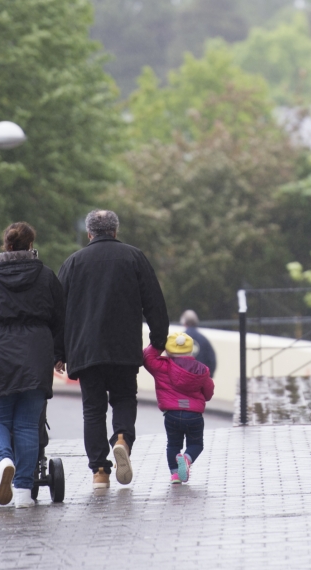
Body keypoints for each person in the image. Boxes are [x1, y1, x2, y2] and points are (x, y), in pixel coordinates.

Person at [57, 209, 169, 490]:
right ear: (115, 231)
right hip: (123, 347)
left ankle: (99, 472)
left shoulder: (72, 263)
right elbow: (154, 302)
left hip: (85, 351)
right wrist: (158, 340)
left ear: (89, 233)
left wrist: (58, 352)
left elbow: (57, 312)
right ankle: (121, 439)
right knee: (123, 399)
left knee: (93, 410)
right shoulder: (134, 257)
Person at [0, 222, 64, 508]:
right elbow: (61, 318)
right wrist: (55, 350)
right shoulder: (46, 277)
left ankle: (3, 460)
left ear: (5, 245)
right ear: (31, 245)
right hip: (36, 354)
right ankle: (23, 493)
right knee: (28, 425)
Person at [143, 332, 215, 484]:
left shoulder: (161, 367)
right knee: (196, 444)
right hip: (194, 415)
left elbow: (147, 357)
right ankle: (187, 459)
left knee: (173, 444)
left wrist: (160, 342)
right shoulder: (201, 370)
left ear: (168, 349)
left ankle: (175, 475)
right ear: (191, 349)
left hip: (172, 414)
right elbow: (208, 393)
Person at [180, 309, 216, 377]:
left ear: (184, 322)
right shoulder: (204, 340)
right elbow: (211, 361)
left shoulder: (178, 339)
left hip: (182, 381)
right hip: (200, 380)